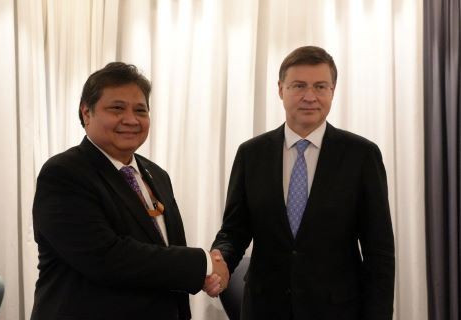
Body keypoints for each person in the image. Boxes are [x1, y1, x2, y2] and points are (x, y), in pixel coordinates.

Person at [31, 62, 228, 320]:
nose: (131, 120)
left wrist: (203, 274)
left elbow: (167, 248)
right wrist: (202, 264)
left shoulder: (157, 175)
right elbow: (107, 258)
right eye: (117, 108)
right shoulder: (64, 173)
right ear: (86, 113)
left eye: (140, 110)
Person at [212, 46, 395, 320]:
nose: (310, 96)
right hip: (264, 309)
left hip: (337, 310)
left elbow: (379, 251)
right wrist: (220, 259)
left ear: (333, 90)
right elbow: (234, 230)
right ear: (280, 89)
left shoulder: (362, 155)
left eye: (320, 86)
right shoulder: (251, 154)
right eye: (298, 86)